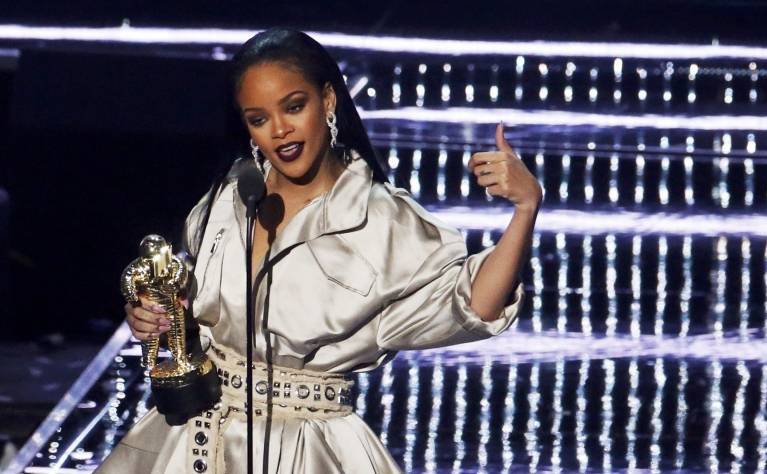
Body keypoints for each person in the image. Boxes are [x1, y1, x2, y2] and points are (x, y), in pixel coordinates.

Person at [97, 27, 542, 474]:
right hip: (194, 435)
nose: (280, 131)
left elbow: (473, 304)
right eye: (258, 118)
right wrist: (159, 318)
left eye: (294, 107)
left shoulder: (383, 221)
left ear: (327, 101)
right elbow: (198, 307)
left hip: (305, 447)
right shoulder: (233, 195)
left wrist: (525, 208)